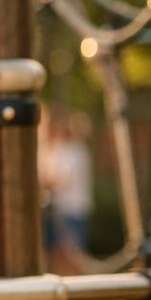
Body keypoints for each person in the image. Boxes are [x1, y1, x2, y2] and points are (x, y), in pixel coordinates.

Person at [39, 110, 94, 274]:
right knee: (55, 252)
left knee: (72, 253)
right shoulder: (51, 149)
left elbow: (60, 180)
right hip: (57, 210)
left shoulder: (74, 151)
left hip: (71, 209)